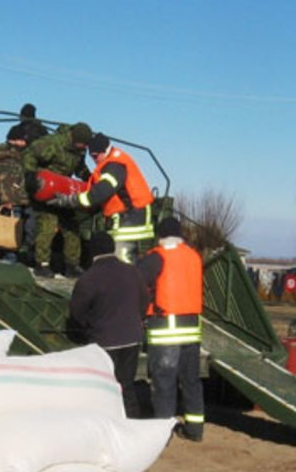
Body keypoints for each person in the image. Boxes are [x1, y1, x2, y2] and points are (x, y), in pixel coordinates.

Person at [138, 216, 204, 441]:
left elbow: (137, 282)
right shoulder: (194, 257)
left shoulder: (157, 257)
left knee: (164, 383)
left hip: (166, 329)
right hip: (192, 330)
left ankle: (161, 435)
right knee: (191, 381)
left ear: (160, 235)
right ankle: (195, 430)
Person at [69, 232, 148, 418]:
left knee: (104, 386)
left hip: (104, 340)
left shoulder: (89, 278)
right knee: (126, 386)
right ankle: (131, 424)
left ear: (92, 252)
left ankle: (107, 424)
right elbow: (144, 299)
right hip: (132, 338)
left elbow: (77, 312)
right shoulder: (132, 271)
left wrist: (88, 326)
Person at [50, 133, 155, 263]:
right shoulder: (114, 161)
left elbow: (101, 191)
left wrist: (70, 200)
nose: (95, 159)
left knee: (122, 260)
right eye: (91, 156)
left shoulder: (114, 166)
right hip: (130, 216)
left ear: (105, 150)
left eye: (96, 155)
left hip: (130, 218)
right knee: (125, 260)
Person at [23, 122, 92, 278]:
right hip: (44, 187)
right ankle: (42, 264)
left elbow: (80, 167)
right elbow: (29, 154)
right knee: (48, 225)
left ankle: (72, 265)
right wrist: (30, 175)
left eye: (85, 146)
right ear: (75, 138)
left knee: (72, 227)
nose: (83, 148)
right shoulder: (53, 143)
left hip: (64, 189)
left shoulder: (80, 150)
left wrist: (90, 179)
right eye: (82, 144)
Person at [0, 124, 33, 261]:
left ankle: (10, 256)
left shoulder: (15, 155)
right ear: (15, 140)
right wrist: (5, 200)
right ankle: (10, 260)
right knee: (11, 233)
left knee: (16, 231)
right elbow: (1, 180)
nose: (25, 143)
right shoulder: (6, 157)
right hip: (12, 200)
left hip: (20, 198)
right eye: (23, 140)